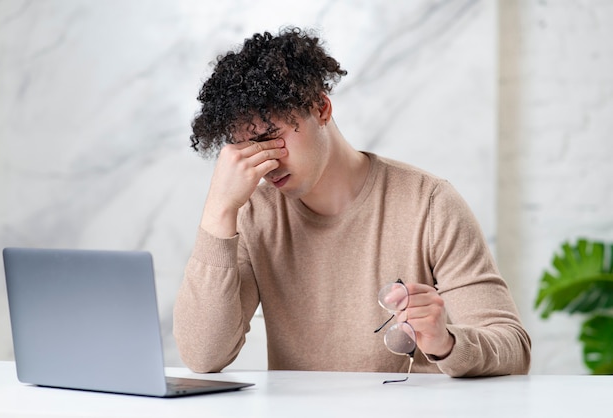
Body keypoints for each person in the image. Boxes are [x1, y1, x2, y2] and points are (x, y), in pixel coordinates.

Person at [174, 26, 531, 377]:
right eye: (248, 148)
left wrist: (447, 342)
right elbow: (204, 356)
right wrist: (218, 212)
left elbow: (513, 348)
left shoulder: (430, 203)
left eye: (272, 137)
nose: (266, 162)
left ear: (321, 109)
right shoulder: (255, 214)